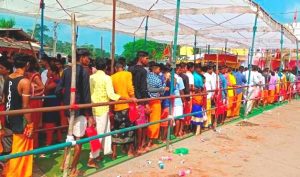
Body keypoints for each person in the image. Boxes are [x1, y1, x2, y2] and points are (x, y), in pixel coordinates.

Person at [57, 48, 93, 176]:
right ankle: (72, 168)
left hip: (69, 109)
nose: (88, 59)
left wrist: (66, 102)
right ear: (81, 57)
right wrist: (89, 114)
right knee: (78, 139)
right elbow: (86, 93)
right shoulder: (83, 72)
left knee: (69, 136)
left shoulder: (66, 71)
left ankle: (63, 164)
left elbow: (58, 90)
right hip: (80, 110)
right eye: (86, 57)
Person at [3, 53, 34, 177]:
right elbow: (25, 106)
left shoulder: (8, 77)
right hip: (19, 120)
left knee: (14, 148)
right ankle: (17, 174)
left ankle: (12, 171)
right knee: (21, 149)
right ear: (27, 64)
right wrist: (30, 124)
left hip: (8, 117)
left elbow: (5, 98)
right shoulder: (24, 81)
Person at [111, 61, 136, 158]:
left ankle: (114, 153)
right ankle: (129, 151)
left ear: (116, 68)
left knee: (116, 129)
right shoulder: (128, 74)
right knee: (130, 128)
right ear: (123, 67)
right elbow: (130, 88)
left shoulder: (112, 77)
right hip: (128, 105)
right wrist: (133, 98)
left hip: (117, 106)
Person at [129, 51, 150, 153]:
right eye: (146, 58)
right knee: (141, 124)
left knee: (133, 124)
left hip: (130, 99)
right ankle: (139, 146)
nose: (147, 60)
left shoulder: (130, 69)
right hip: (140, 100)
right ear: (141, 58)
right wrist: (146, 103)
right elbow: (143, 88)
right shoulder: (143, 71)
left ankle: (132, 147)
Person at [147, 63, 168, 146]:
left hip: (148, 101)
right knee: (155, 122)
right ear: (155, 69)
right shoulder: (157, 79)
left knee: (149, 121)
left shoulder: (147, 76)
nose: (160, 71)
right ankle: (150, 142)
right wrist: (165, 81)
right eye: (159, 69)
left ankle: (148, 141)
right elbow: (162, 90)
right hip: (155, 101)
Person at [26, 56, 44, 148]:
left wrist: (30, 87)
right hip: (28, 101)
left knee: (33, 124)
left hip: (33, 102)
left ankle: (34, 147)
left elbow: (42, 87)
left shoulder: (35, 75)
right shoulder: (25, 74)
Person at [43, 64, 62, 146]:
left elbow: (46, 88)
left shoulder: (56, 81)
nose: (48, 72)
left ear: (54, 72)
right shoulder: (55, 80)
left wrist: (48, 78)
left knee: (50, 123)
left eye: (50, 70)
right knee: (56, 122)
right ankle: (59, 138)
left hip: (52, 104)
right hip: (52, 103)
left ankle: (48, 142)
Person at [191, 64, 204, 135]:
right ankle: (197, 130)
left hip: (195, 98)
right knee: (198, 115)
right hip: (197, 99)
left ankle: (195, 130)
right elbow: (201, 87)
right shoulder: (198, 77)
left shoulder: (193, 75)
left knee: (194, 115)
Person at [0, 60, 12, 132]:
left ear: (8, 70)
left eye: (1, 68)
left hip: (9, 106)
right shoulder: (1, 78)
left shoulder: (12, 80)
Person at [173, 66, 185, 137]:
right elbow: (181, 91)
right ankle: (176, 133)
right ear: (177, 70)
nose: (181, 72)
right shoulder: (179, 78)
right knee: (178, 118)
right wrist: (183, 101)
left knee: (172, 117)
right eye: (180, 70)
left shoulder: (169, 76)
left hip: (171, 100)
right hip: (177, 100)